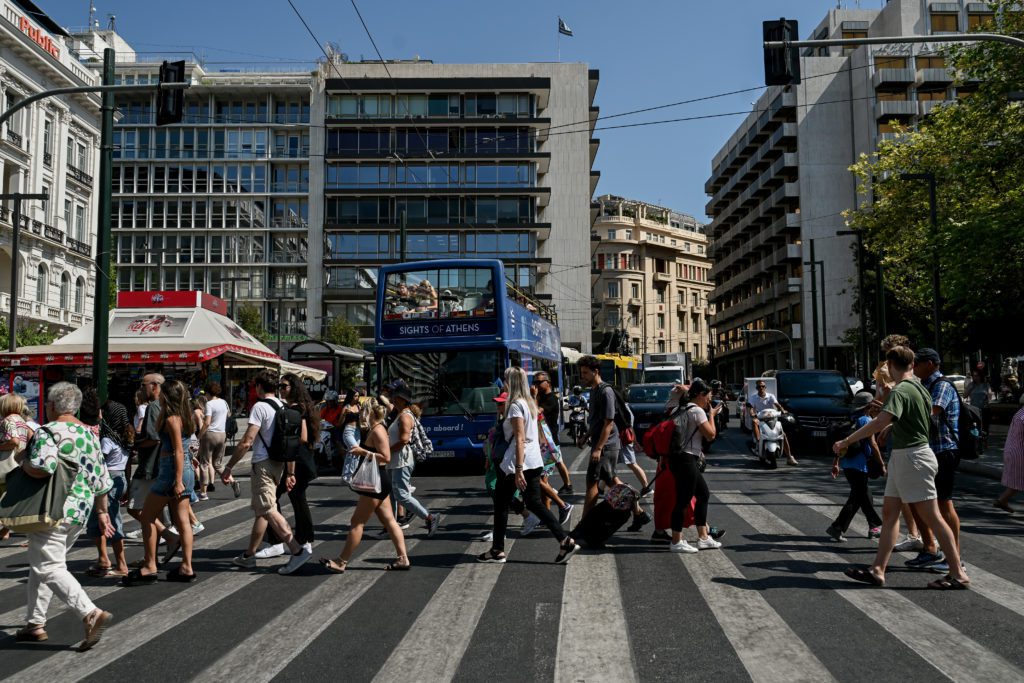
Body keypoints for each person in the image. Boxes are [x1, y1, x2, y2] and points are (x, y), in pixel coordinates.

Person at [834, 346, 970, 589]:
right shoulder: (919, 387)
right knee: (890, 514)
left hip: (912, 457)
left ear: (893, 364)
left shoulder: (902, 390)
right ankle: (877, 570)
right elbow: (908, 421)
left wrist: (847, 440)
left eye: (886, 365)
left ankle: (958, 573)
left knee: (934, 517)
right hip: (906, 456)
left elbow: (880, 421)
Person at [16, 382, 114, 650]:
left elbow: (42, 467)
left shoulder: (49, 432)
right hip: (79, 511)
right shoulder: (89, 434)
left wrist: (22, 462)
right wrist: (103, 512)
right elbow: (101, 479)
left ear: (51, 406)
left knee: (49, 567)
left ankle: (90, 613)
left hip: (53, 509)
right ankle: (34, 623)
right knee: (46, 564)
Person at [477, 367, 580, 564]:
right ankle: (565, 540)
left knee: (501, 503)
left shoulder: (515, 405)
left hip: (518, 461)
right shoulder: (530, 403)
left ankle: (498, 550)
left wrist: (517, 469)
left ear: (510, 382)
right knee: (534, 503)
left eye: (505, 379)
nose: (503, 383)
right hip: (534, 459)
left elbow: (520, 438)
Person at [222, 371, 313, 575]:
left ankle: (297, 550)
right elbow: (291, 442)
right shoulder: (283, 406)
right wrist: (290, 472)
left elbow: (247, 441)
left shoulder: (260, 407)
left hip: (262, 463)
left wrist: (229, 466)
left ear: (259, 387)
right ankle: (249, 556)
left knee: (269, 508)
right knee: (262, 509)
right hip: (278, 464)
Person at [320, 398, 411, 572]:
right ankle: (403, 559)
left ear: (369, 412)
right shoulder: (374, 429)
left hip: (375, 481)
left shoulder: (377, 431)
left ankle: (341, 561)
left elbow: (386, 457)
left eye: (362, 410)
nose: (360, 413)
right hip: (378, 480)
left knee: (357, 522)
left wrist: (363, 451)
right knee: (390, 521)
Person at [123, 380, 198, 585]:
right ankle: (186, 567)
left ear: (168, 396)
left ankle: (150, 566)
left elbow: (178, 450)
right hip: (183, 469)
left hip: (171, 471)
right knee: (182, 520)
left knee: (146, 515)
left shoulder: (172, 418)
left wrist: (177, 480)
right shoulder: (186, 416)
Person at [904, 348, 962, 573]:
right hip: (928, 451)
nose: (914, 368)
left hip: (944, 450)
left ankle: (954, 557)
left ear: (930, 363)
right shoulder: (925, 384)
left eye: (917, 364)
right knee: (920, 501)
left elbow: (930, 413)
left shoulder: (942, 385)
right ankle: (930, 550)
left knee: (944, 504)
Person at [578, 355, 651, 529]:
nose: (583, 377)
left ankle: (583, 525)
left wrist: (598, 448)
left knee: (592, 483)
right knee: (611, 481)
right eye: (582, 373)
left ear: (596, 372)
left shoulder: (606, 391)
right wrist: (587, 435)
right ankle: (638, 511)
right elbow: (597, 420)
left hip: (607, 446)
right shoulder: (594, 390)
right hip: (600, 443)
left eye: (585, 373)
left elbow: (608, 423)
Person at [255, 374, 319, 558]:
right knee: (292, 499)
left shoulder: (297, 409)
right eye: (279, 386)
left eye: (284, 386)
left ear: (294, 388)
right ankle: (299, 540)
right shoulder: (298, 407)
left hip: (296, 460)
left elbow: (302, 437)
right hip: (299, 460)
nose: (280, 389)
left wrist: (285, 440)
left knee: (273, 499)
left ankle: (282, 541)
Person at [666, 380, 724, 553]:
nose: (709, 401)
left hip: (677, 458)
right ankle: (676, 541)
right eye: (708, 397)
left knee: (703, 494)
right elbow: (711, 435)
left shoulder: (680, 408)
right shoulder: (697, 411)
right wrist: (712, 414)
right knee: (683, 500)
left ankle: (703, 537)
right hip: (687, 459)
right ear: (700, 395)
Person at [126, 374, 179, 556]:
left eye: (143, 385)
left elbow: (154, 439)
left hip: (150, 466)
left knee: (136, 508)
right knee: (155, 513)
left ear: (155, 386)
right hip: (163, 466)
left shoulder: (153, 408)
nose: (142, 389)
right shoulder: (169, 406)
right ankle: (152, 558)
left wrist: (135, 444)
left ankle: (168, 537)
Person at [382, 382, 440, 537]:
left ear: (401, 398)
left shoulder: (405, 416)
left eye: (394, 396)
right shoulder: (400, 414)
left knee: (401, 495)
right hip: (396, 460)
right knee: (393, 495)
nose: (392, 399)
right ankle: (392, 526)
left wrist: (386, 450)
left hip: (402, 459)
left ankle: (429, 517)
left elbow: (403, 440)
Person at [827, 392, 884, 542]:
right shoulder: (866, 420)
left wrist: (836, 463)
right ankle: (838, 527)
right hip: (860, 465)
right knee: (858, 497)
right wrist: (881, 464)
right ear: (870, 406)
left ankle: (872, 527)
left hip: (847, 464)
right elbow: (873, 444)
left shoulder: (851, 419)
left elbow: (841, 445)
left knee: (863, 495)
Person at [85, 397, 131, 578]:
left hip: (108, 479)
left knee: (108, 521)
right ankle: (104, 559)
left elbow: (99, 461)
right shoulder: (124, 437)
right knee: (107, 520)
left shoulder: (107, 440)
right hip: (119, 477)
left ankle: (120, 564)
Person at [0, 394, 35, 542]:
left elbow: (13, 441)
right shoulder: (22, 422)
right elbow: (32, 437)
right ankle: (5, 530)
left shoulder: (7, 421)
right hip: (18, 465)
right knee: (10, 496)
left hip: (5, 465)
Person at [532, 372, 573, 495]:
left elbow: (536, 412)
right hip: (543, 438)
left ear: (548, 383)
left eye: (539, 382)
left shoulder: (551, 399)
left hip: (549, 439)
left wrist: (534, 397)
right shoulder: (541, 397)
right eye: (535, 382)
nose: (536, 385)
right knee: (558, 461)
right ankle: (568, 485)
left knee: (547, 469)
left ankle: (548, 492)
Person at [747, 380, 797, 466]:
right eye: (759, 387)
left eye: (763, 386)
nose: (761, 388)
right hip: (760, 418)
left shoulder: (771, 396)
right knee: (754, 421)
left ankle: (789, 457)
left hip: (772, 418)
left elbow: (777, 404)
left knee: (783, 435)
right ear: (756, 388)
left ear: (765, 387)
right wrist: (752, 413)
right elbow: (751, 407)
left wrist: (783, 411)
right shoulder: (753, 397)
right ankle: (759, 441)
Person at [994, 404, 1024, 513]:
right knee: (1018, 479)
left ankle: (1003, 500)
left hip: (1012, 449)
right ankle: (1002, 500)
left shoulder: (1020, 413)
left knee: (1018, 480)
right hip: (1019, 451)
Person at [200, 382, 230, 487]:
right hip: (222, 434)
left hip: (210, 435)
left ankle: (203, 492)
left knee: (204, 464)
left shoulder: (209, 404)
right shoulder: (224, 402)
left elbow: (207, 423)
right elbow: (228, 415)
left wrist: (199, 435)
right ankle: (233, 481)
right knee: (217, 464)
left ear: (208, 393)